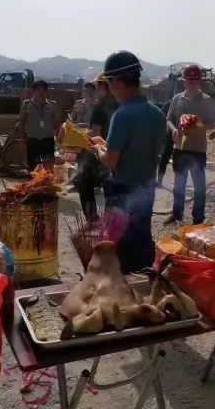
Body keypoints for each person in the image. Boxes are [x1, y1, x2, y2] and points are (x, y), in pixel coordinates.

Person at [93, 50, 167, 274]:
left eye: (109, 83)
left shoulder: (122, 114)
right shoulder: (157, 113)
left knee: (121, 247)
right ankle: (145, 283)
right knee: (142, 239)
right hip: (146, 187)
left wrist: (97, 150)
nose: (109, 88)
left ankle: (124, 288)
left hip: (122, 191)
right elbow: (157, 149)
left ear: (116, 81)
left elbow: (111, 160)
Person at [164, 64, 215, 225]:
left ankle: (198, 218)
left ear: (199, 81)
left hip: (198, 149)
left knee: (199, 186)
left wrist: (196, 125)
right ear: (184, 82)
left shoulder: (206, 100)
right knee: (179, 184)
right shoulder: (177, 99)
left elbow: (212, 123)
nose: (192, 84)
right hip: (180, 148)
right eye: (189, 81)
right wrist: (173, 130)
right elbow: (169, 119)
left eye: (195, 81)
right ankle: (176, 214)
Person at [77, 73, 117, 223]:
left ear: (105, 87)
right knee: (111, 189)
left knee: (85, 184)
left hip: (99, 154)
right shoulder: (120, 104)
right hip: (116, 153)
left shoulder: (99, 107)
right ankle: (111, 222)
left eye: (98, 87)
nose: (97, 91)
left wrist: (78, 137)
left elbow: (95, 133)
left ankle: (93, 219)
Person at [18, 80, 60, 171]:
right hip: (33, 140)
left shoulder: (52, 105)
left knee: (48, 168)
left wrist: (58, 138)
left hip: (47, 141)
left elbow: (57, 123)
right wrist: (22, 138)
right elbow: (21, 122)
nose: (41, 93)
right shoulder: (27, 105)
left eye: (43, 90)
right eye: (38, 90)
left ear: (46, 92)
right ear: (33, 91)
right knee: (34, 168)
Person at [156, 99, 174, 186]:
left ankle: (179, 181)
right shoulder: (168, 104)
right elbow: (161, 117)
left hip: (181, 135)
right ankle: (159, 180)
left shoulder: (186, 104)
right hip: (169, 135)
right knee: (164, 157)